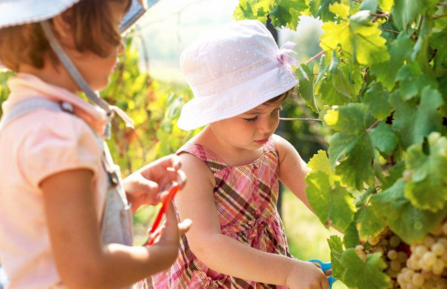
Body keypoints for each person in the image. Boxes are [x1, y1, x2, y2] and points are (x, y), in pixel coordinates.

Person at [0, 0, 191, 288]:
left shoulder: (25, 121)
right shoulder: (60, 132)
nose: (122, 46)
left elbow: (48, 231)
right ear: (65, 22)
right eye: (115, 27)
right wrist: (160, 255)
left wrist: (120, 193)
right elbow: (85, 272)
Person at [138, 20, 330, 289]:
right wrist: (288, 272)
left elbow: (324, 199)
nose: (267, 126)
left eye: (275, 111)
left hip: (263, 274)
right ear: (213, 111)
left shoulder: (277, 151)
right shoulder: (193, 167)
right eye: (251, 118)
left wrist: (366, 230)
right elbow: (208, 245)